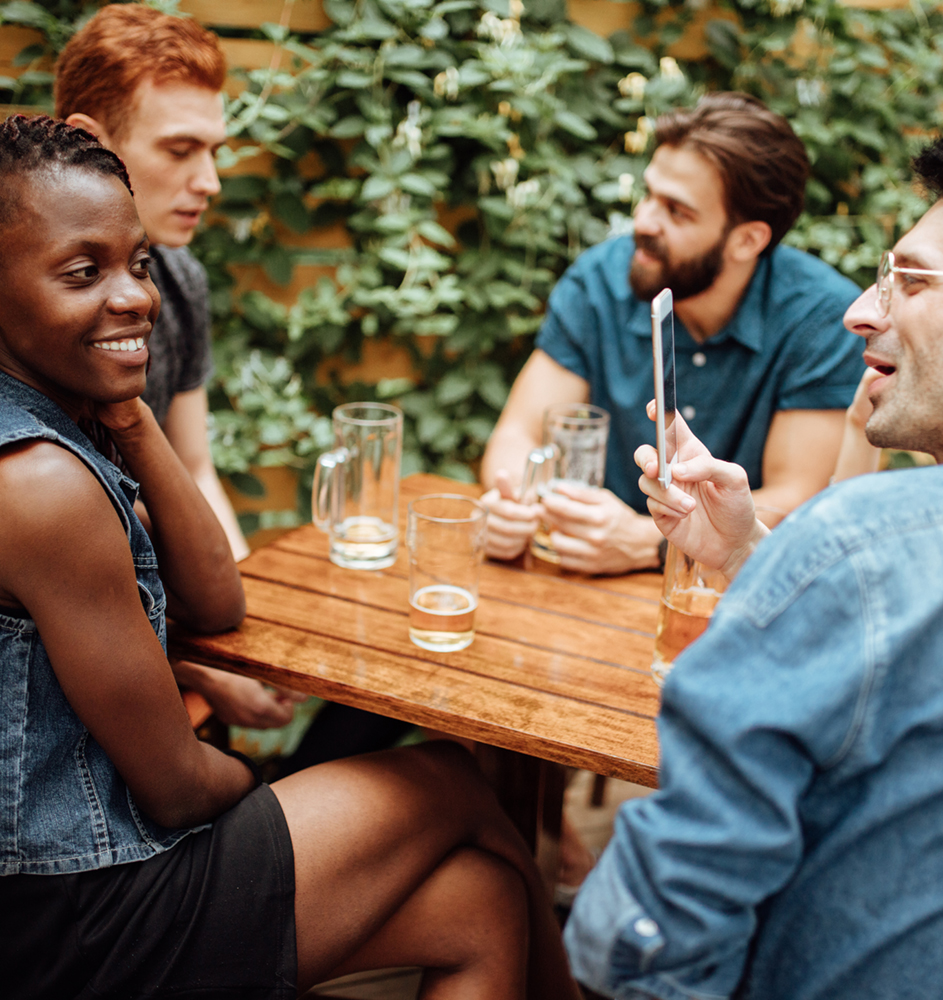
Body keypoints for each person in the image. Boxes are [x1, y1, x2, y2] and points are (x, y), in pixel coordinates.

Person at [0, 114, 581, 1000]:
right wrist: (278, 783)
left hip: (90, 868)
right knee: (448, 779)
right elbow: (180, 792)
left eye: (139, 264)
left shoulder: (61, 420)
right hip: (77, 914)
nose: (134, 298)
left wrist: (131, 411)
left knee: (481, 904)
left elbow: (216, 602)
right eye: (85, 272)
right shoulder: (39, 484)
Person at [563, 124, 943, 999]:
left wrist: (803, 571)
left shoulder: (863, 550)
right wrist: (755, 560)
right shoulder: (865, 555)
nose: (862, 311)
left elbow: (637, 941)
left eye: (911, 281)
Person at [54, 6, 411, 757]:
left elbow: (197, 470)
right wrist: (206, 667)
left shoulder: (179, 280)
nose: (210, 181)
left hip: (171, 624)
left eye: (215, 150)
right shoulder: (36, 321)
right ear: (90, 142)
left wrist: (254, 629)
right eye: (180, 149)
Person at [481, 92, 866, 575]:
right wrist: (512, 506)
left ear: (748, 239)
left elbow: (800, 499)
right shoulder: (600, 279)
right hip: (571, 577)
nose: (643, 221)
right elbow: (519, 432)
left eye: (677, 211)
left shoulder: (821, 318)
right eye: (648, 195)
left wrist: (649, 542)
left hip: (721, 598)